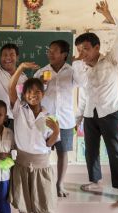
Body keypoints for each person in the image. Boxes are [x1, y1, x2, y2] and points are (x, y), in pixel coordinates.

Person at [75, 0, 118, 205]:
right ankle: (95, 181)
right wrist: (78, 117)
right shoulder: (82, 68)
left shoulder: (111, 60)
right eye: (79, 50)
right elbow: (84, 95)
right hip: (91, 115)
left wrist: (109, 16)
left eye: (86, 49)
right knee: (90, 150)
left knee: (116, 151)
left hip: (110, 113)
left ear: (97, 47)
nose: (82, 54)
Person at [8, 62, 60, 213]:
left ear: (43, 95)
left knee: (40, 203)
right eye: (29, 92)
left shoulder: (48, 117)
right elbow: (11, 88)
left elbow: (50, 143)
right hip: (22, 163)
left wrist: (55, 131)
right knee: (24, 202)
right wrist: (20, 68)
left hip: (41, 165)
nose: (33, 95)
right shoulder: (19, 110)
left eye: (37, 92)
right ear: (24, 95)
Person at [33, 40, 84, 197]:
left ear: (64, 54)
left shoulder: (71, 71)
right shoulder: (41, 72)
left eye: (55, 51)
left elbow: (83, 82)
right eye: (49, 50)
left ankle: (60, 184)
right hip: (46, 120)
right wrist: (41, 83)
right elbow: (33, 95)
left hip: (66, 120)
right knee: (43, 153)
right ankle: (42, 182)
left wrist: (78, 65)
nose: (50, 53)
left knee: (63, 153)